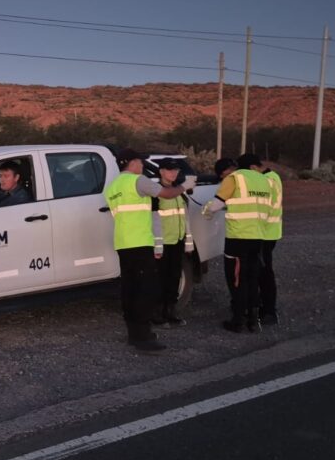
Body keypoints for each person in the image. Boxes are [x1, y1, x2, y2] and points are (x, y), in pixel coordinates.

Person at [105, 149, 196, 352]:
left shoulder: (112, 187)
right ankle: (143, 337)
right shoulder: (138, 181)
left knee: (129, 289)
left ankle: (134, 333)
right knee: (145, 290)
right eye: (140, 161)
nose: (143, 165)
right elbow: (166, 193)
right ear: (132, 162)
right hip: (141, 243)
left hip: (123, 242)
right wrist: (184, 186)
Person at [202, 153, 272, 333]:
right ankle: (254, 320)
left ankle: (238, 320)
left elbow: (216, 205)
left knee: (237, 279)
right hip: (258, 236)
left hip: (238, 238)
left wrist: (206, 212)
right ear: (253, 166)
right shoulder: (264, 181)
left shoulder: (235, 178)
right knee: (252, 278)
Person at [152, 158, 193, 328]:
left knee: (174, 277)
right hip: (163, 243)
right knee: (160, 279)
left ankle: (171, 312)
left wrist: (188, 241)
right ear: (161, 171)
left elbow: (185, 218)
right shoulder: (157, 192)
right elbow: (153, 220)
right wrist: (157, 244)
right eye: (169, 170)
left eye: (175, 170)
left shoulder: (179, 192)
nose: (173, 173)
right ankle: (158, 315)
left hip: (177, 241)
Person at [259, 163, 283, 325]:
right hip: (270, 233)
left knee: (264, 274)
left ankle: (268, 310)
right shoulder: (273, 177)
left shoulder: (265, 181)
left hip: (263, 235)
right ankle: (266, 308)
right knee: (265, 272)